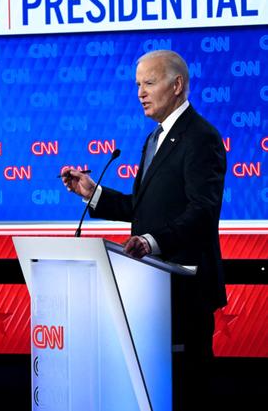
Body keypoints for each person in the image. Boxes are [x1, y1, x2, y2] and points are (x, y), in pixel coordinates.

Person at [62, 50, 226, 411]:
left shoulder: (201, 137)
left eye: (149, 83)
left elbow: (203, 211)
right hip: (149, 293)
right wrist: (93, 193)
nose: (140, 92)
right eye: (138, 84)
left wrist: (151, 242)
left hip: (184, 290)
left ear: (177, 85)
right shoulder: (153, 139)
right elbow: (143, 208)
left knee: (186, 393)